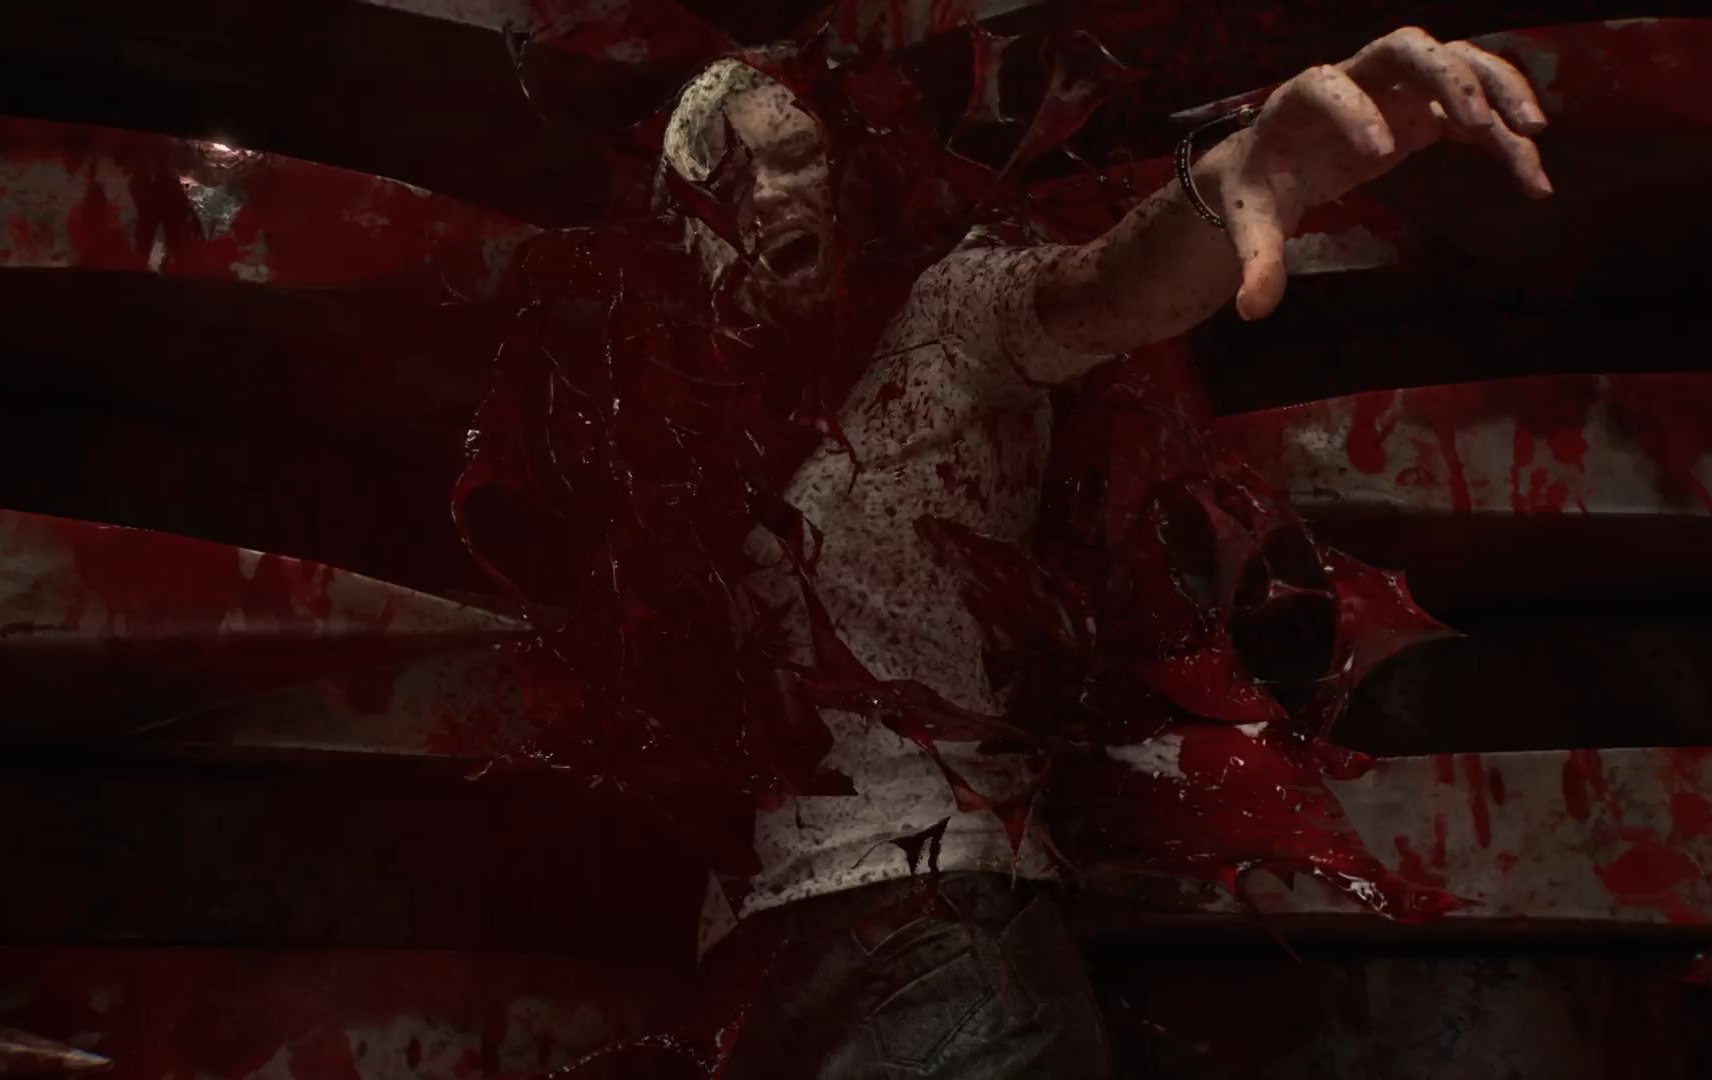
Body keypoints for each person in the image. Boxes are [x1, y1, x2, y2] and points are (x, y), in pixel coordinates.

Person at [665, 27, 1552, 1078]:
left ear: (852, 179)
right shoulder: (684, 443)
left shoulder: (943, 322)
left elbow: (1103, 287)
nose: (765, 194)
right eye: (725, 178)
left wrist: (1238, 171)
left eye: (793, 156)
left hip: (928, 942)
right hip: (756, 974)